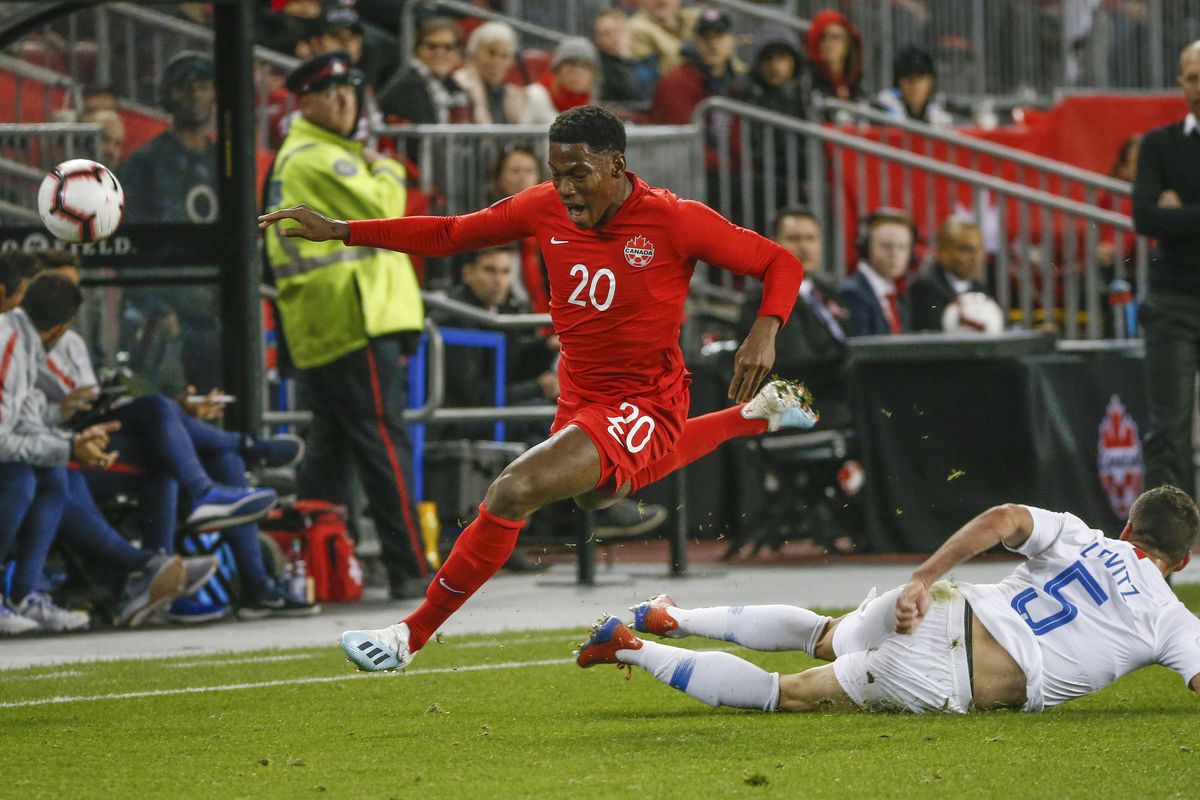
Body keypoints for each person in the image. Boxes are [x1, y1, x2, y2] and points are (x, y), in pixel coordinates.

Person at [259, 105, 819, 672]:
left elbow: (781, 263)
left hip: (646, 398)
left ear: (617, 165)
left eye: (578, 173)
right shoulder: (543, 207)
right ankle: (754, 415)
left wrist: (763, 332)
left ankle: (409, 635)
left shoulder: (673, 220)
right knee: (595, 496)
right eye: (556, 172)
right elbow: (452, 232)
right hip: (580, 394)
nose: (565, 188)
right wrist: (344, 230)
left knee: (513, 489)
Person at [577, 485, 1200, 714]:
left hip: (943, 603)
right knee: (786, 691)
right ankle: (630, 650)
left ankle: (671, 616)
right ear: (1186, 560)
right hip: (946, 676)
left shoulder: (1082, 536)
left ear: (1127, 529)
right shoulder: (1172, 621)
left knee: (823, 632)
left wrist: (924, 579)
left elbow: (1005, 515)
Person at [32, 250, 311, 620]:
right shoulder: (19, 339)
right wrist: (62, 411)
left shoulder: (71, 341)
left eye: (73, 290)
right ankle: (165, 573)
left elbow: (102, 395)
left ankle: (253, 586)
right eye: (59, 289)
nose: (69, 302)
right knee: (161, 426)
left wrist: (183, 410)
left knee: (176, 426)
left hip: (99, 430)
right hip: (66, 445)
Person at [263, 52, 429, 600]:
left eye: (350, 90)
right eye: (329, 92)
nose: (344, 101)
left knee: (329, 458)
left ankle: (321, 569)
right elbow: (388, 207)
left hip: (334, 325)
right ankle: (409, 567)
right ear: (303, 102)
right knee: (385, 444)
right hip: (353, 322)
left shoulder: (323, 152)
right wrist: (386, 164)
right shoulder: (317, 157)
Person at [118, 51, 221, 394]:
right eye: (184, 88)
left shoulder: (224, 162)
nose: (194, 96)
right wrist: (153, 305)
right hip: (165, 315)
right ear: (168, 94)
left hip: (216, 311)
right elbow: (130, 240)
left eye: (204, 87)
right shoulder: (146, 162)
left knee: (221, 408)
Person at [1132, 40, 1200, 495]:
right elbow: (1146, 217)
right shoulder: (1157, 144)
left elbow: (1164, 218)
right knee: (1167, 429)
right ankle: (1162, 553)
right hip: (1173, 301)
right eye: (1193, 77)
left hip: (1174, 285)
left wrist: (1181, 212)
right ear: (1179, 82)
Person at [739, 209, 847, 418]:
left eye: (811, 238)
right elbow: (797, 366)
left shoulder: (831, 291)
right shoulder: (762, 299)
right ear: (773, 243)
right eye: (794, 238)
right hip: (805, 408)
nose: (804, 246)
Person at [649, 8, 745, 125]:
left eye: (719, 36)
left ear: (733, 41)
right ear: (696, 41)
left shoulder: (742, 80)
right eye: (705, 37)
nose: (712, 44)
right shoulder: (676, 82)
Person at [490, 146, 551, 313]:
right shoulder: (489, 224)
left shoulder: (553, 223)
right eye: (515, 171)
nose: (523, 178)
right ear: (500, 178)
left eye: (530, 171)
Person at [837, 209, 917, 336]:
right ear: (865, 248)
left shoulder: (894, 293)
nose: (894, 254)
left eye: (902, 247)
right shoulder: (852, 293)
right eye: (886, 246)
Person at [377, 17, 471, 125]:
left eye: (448, 47)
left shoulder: (452, 84)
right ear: (417, 50)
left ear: (458, 53)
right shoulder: (408, 85)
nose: (440, 53)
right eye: (432, 47)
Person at [908, 216, 988, 331]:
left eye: (979, 249)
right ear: (943, 252)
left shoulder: (981, 291)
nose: (976, 258)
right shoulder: (924, 290)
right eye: (966, 250)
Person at [454, 21, 527, 125]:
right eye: (491, 53)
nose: (497, 62)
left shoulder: (510, 94)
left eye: (504, 56)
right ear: (473, 53)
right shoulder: (460, 84)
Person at [522, 38, 600, 124]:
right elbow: (519, 135)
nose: (578, 72)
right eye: (571, 64)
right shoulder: (536, 95)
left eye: (585, 66)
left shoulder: (591, 106)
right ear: (557, 70)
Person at [628, 0, 700, 90]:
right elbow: (649, 80)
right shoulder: (636, 28)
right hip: (673, 90)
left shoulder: (696, 17)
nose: (662, 1)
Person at [874, 46, 953, 126]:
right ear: (898, 83)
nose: (914, 85)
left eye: (920, 77)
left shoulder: (944, 116)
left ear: (931, 81)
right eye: (908, 78)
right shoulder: (880, 115)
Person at [592, 9, 652, 107]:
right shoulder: (600, 67)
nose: (603, 39)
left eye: (611, 32)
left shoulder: (645, 63)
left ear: (627, 31)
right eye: (600, 34)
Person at [805, 9, 864, 104]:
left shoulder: (856, 89)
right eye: (823, 37)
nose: (829, 44)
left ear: (848, 44)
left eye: (835, 37)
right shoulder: (807, 83)